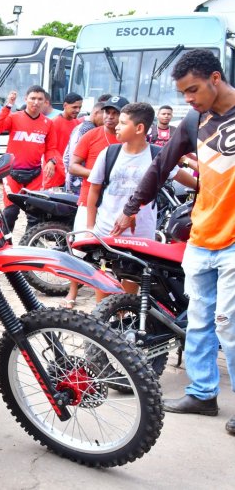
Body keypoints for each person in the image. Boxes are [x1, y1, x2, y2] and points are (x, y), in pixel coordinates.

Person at [111, 49, 235, 435]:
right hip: (202, 235)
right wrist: (132, 207)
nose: (188, 100)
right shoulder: (196, 120)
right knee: (198, 321)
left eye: (193, 89)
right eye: (182, 93)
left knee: (228, 324)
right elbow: (161, 164)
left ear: (216, 78)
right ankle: (202, 393)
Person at [86, 102, 195, 296]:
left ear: (139, 128)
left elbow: (188, 180)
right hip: (106, 231)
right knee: (103, 284)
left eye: (122, 122)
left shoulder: (157, 156)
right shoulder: (109, 153)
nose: (116, 126)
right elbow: (93, 191)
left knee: (130, 292)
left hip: (140, 236)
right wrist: (89, 228)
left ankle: (123, 320)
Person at [63, 96, 125, 308]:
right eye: (107, 112)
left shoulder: (126, 139)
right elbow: (73, 166)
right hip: (88, 200)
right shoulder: (91, 135)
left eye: (115, 113)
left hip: (117, 204)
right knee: (79, 248)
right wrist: (98, 174)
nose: (110, 117)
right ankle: (72, 293)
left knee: (114, 252)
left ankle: (114, 300)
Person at [0, 86, 61, 233]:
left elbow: (52, 148)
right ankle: (5, 248)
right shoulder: (14, 117)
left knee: (35, 216)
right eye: (32, 98)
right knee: (10, 213)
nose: (36, 102)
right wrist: (8, 106)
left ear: (45, 102)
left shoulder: (48, 123)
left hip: (35, 175)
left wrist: (52, 162)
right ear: (26, 99)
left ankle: (29, 247)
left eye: (40, 99)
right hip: (12, 173)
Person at [63, 94, 112, 195]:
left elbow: (66, 157)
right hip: (79, 183)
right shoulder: (90, 130)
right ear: (96, 113)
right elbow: (73, 160)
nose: (106, 120)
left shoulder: (82, 126)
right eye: (104, 116)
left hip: (73, 180)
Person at [51, 92, 83, 158]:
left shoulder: (78, 123)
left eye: (80, 107)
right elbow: (50, 149)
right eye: (74, 107)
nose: (78, 110)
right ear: (65, 105)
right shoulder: (54, 123)